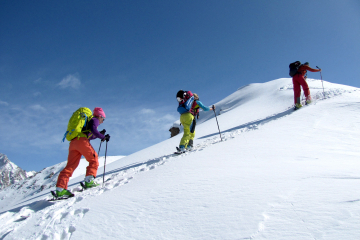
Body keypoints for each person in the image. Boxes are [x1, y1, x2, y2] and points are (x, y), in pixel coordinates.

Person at [55, 107, 110, 197]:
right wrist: (102, 137)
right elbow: (93, 131)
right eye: (103, 119)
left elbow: (90, 135)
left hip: (73, 142)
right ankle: (89, 181)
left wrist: (99, 134)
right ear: (99, 116)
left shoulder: (88, 122)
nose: (102, 121)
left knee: (70, 166)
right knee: (94, 159)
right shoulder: (94, 119)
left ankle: (60, 189)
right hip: (81, 141)